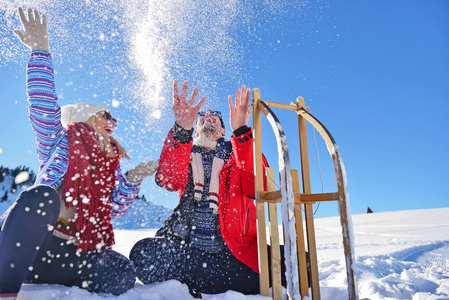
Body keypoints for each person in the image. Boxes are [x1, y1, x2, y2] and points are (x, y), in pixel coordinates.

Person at [0, 8, 159, 297]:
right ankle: (5, 288)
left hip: (70, 254)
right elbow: (43, 105)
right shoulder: (59, 140)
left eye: (114, 118)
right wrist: (40, 51)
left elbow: (112, 211)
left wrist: (132, 180)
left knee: (121, 271)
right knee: (41, 197)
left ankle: (64, 281)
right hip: (32, 245)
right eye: (106, 116)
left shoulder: (110, 166)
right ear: (87, 118)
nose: (114, 122)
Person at [130, 80, 286, 296]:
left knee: (298, 261)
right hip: (192, 254)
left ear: (223, 130)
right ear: (195, 131)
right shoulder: (186, 154)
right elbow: (168, 179)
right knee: (143, 253)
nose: (207, 117)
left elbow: (256, 186)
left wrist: (241, 131)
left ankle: (199, 283)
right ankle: (220, 283)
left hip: (234, 256)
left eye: (214, 116)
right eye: (201, 117)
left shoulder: (238, 153)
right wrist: (181, 130)